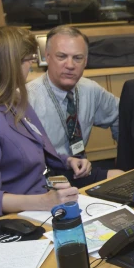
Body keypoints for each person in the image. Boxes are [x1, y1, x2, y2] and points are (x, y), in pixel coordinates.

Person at [0, 27, 91, 220]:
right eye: (28, 61)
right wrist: (44, 202)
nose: (30, 67)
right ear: (8, 65)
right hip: (17, 219)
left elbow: (34, 147)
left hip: (42, 204)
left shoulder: (12, 101)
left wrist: (67, 160)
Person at [27, 26, 122, 170]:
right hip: (45, 177)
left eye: (77, 58)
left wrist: (124, 156)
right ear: (47, 57)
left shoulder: (91, 90)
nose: (70, 65)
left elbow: (122, 115)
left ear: (86, 61)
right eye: (62, 57)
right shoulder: (28, 98)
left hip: (82, 170)